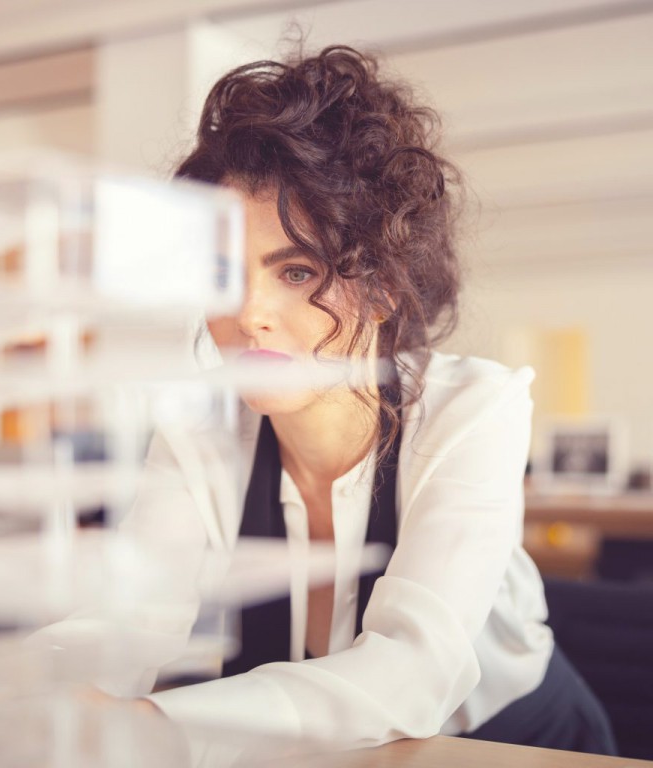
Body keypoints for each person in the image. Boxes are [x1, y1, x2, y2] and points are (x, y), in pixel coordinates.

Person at [135, 45, 616, 754]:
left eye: (297, 271)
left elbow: (413, 673)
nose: (249, 314)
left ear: (384, 283)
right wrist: (2, 688)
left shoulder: (473, 409)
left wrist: (154, 721)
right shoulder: (199, 430)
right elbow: (125, 621)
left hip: (509, 745)